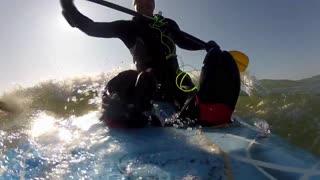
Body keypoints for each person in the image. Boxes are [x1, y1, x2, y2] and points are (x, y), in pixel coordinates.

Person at [60, 0, 240, 128]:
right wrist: (70, 9)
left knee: (188, 80)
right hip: (149, 84)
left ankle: (205, 111)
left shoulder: (168, 24)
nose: (146, 2)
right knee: (139, 79)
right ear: (135, 4)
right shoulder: (127, 27)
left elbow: (183, 42)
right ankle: (137, 112)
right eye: (141, 0)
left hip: (176, 79)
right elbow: (92, 28)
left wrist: (205, 46)